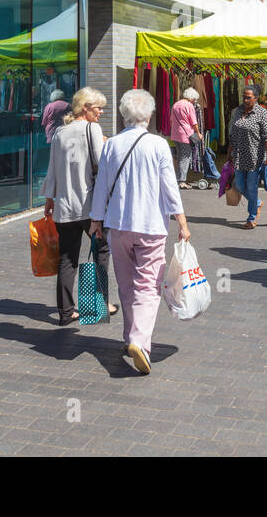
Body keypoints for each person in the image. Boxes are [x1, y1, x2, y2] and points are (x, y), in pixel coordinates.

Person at [90, 89, 190, 375]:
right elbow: (170, 188)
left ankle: (129, 337)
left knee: (125, 283)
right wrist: (182, 222)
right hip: (151, 226)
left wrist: (96, 220)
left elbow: (102, 186)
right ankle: (139, 341)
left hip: (118, 224)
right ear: (149, 114)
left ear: (123, 115)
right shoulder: (158, 145)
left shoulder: (111, 145)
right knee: (148, 286)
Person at [43, 87, 118, 326]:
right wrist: (106, 144)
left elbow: (52, 170)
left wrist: (49, 200)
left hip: (65, 207)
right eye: (98, 108)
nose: (101, 112)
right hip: (90, 206)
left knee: (67, 259)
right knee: (101, 252)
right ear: (85, 107)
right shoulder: (92, 129)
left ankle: (66, 312)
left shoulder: (59, 133)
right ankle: (99, 303)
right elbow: (102, 165)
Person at [228, 84, 267, 230]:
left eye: (248, 97)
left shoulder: (262, 113)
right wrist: (229, 152)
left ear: (256, 98)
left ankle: (251, 217)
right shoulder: (237, 111)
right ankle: (257, 203)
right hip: (239, 156)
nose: (245, 100)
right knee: (240, 185)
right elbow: (233, 133)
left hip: (255, 157)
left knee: (252, 187)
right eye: (244, 97)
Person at [169, 87, 202, 189]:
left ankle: (178, 179)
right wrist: (198, 133)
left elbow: (171, 120)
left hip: (175, 134)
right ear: (191, 98)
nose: (194, 101)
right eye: (194, 99)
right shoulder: (188, 105)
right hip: (185, 135)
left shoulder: (176, 104)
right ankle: (181, 181)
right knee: (185, 158)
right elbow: (194, 122)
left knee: (180, 157)